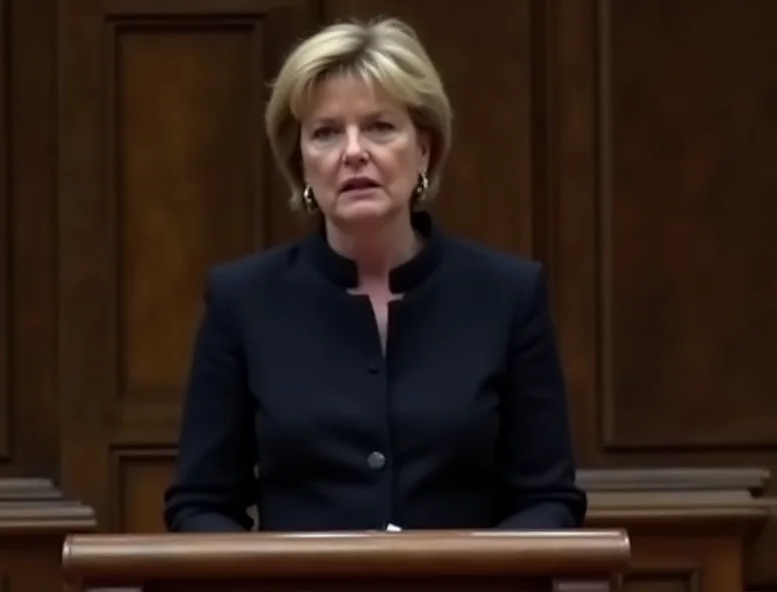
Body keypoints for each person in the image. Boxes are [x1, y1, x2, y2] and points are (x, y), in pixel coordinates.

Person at [163, 16, 586, 532]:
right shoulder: (243, 302)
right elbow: (201, 504)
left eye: (380, 127)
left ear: (424, 148)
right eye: (326, 133)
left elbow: (548, 500)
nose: (354, 151)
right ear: (301, 164)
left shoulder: (507, 295)